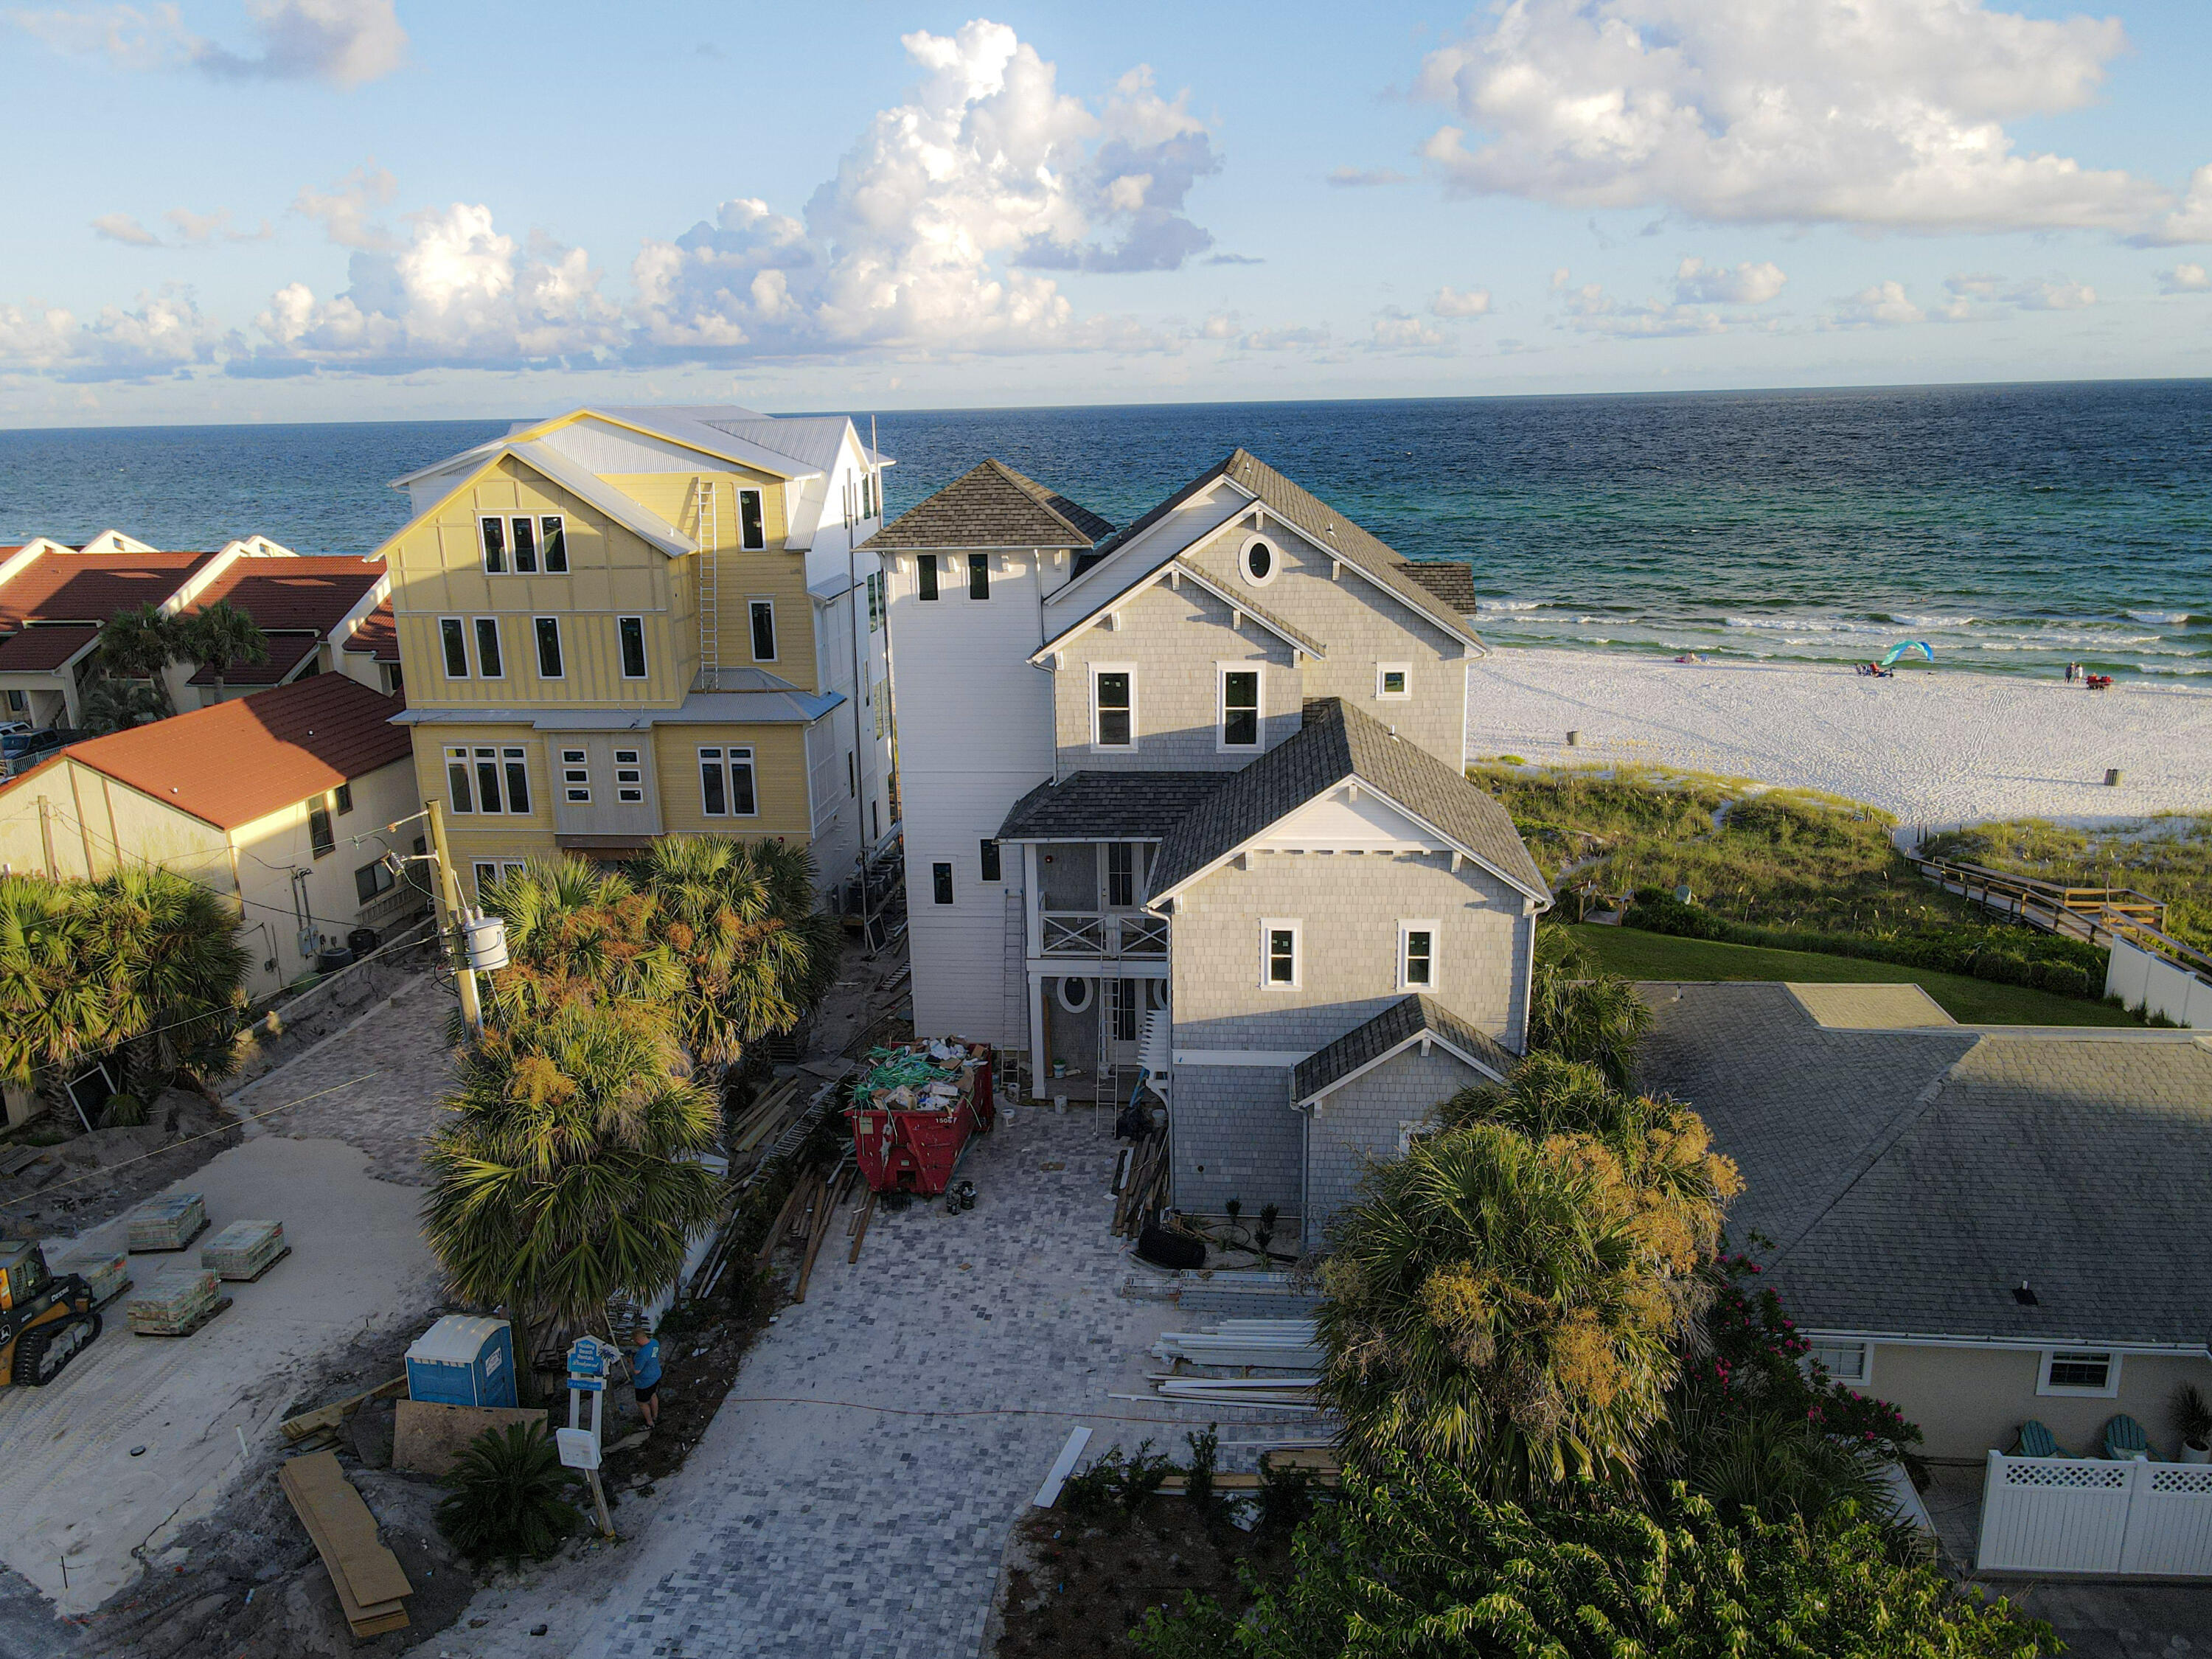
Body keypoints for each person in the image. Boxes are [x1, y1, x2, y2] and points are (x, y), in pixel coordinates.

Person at [630, 1325, 662, 1429]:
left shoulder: (642, 1354)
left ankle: (650, 1423)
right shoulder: (655, 1343)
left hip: (645, 1382)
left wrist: (631, 1361)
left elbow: (637, 1371)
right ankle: (655, 1416)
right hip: (656, 1375)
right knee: (653, 1394)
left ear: (637, 1340)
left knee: (642, 1403)